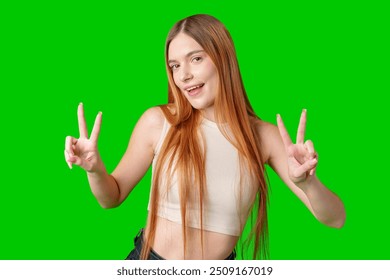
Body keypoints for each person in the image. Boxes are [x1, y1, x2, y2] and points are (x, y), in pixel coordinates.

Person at [64, 14, 346, 260]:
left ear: (224, 59)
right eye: (174, 66)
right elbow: (110, 198)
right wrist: (95, 169)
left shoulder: (264, 137)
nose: (183, 75)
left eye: (195, 59)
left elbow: (336, 218)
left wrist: (307, 183)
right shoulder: (159, 122)